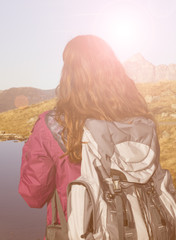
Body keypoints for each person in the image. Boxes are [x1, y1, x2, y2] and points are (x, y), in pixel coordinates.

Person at [18, 35, 155, 233]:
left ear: (69, 74)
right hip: (141, 229)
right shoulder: (140, 121)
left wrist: (31, 148)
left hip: (80, 231)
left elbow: (33, 194)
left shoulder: (53, 125)